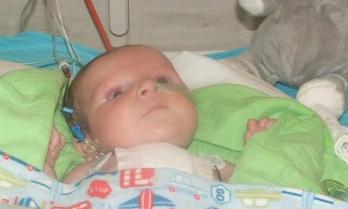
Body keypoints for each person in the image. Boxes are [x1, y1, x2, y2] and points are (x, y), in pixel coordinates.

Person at [43, 45, 275, 182]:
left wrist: (258, 152)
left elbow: (254, 194)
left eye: (162, 80)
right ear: (87, 140)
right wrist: (47, 167)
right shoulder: (90, 172)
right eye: (116, 93)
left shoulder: (214, 167)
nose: (149, 86)